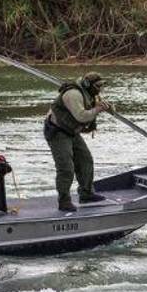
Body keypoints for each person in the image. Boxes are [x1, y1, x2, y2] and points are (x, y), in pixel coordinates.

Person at [44, 71, 113, 212]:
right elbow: (81, 116)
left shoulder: (91, 94)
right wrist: (98, 109)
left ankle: (86, 193)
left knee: (85, 160)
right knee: (66, 168)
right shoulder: (73, 94)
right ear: (88, 84)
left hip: (72, 131)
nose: (100, 89)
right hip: (58, 132)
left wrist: (108, 107)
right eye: (98, 86)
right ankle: (64, 201)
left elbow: (99, 108)